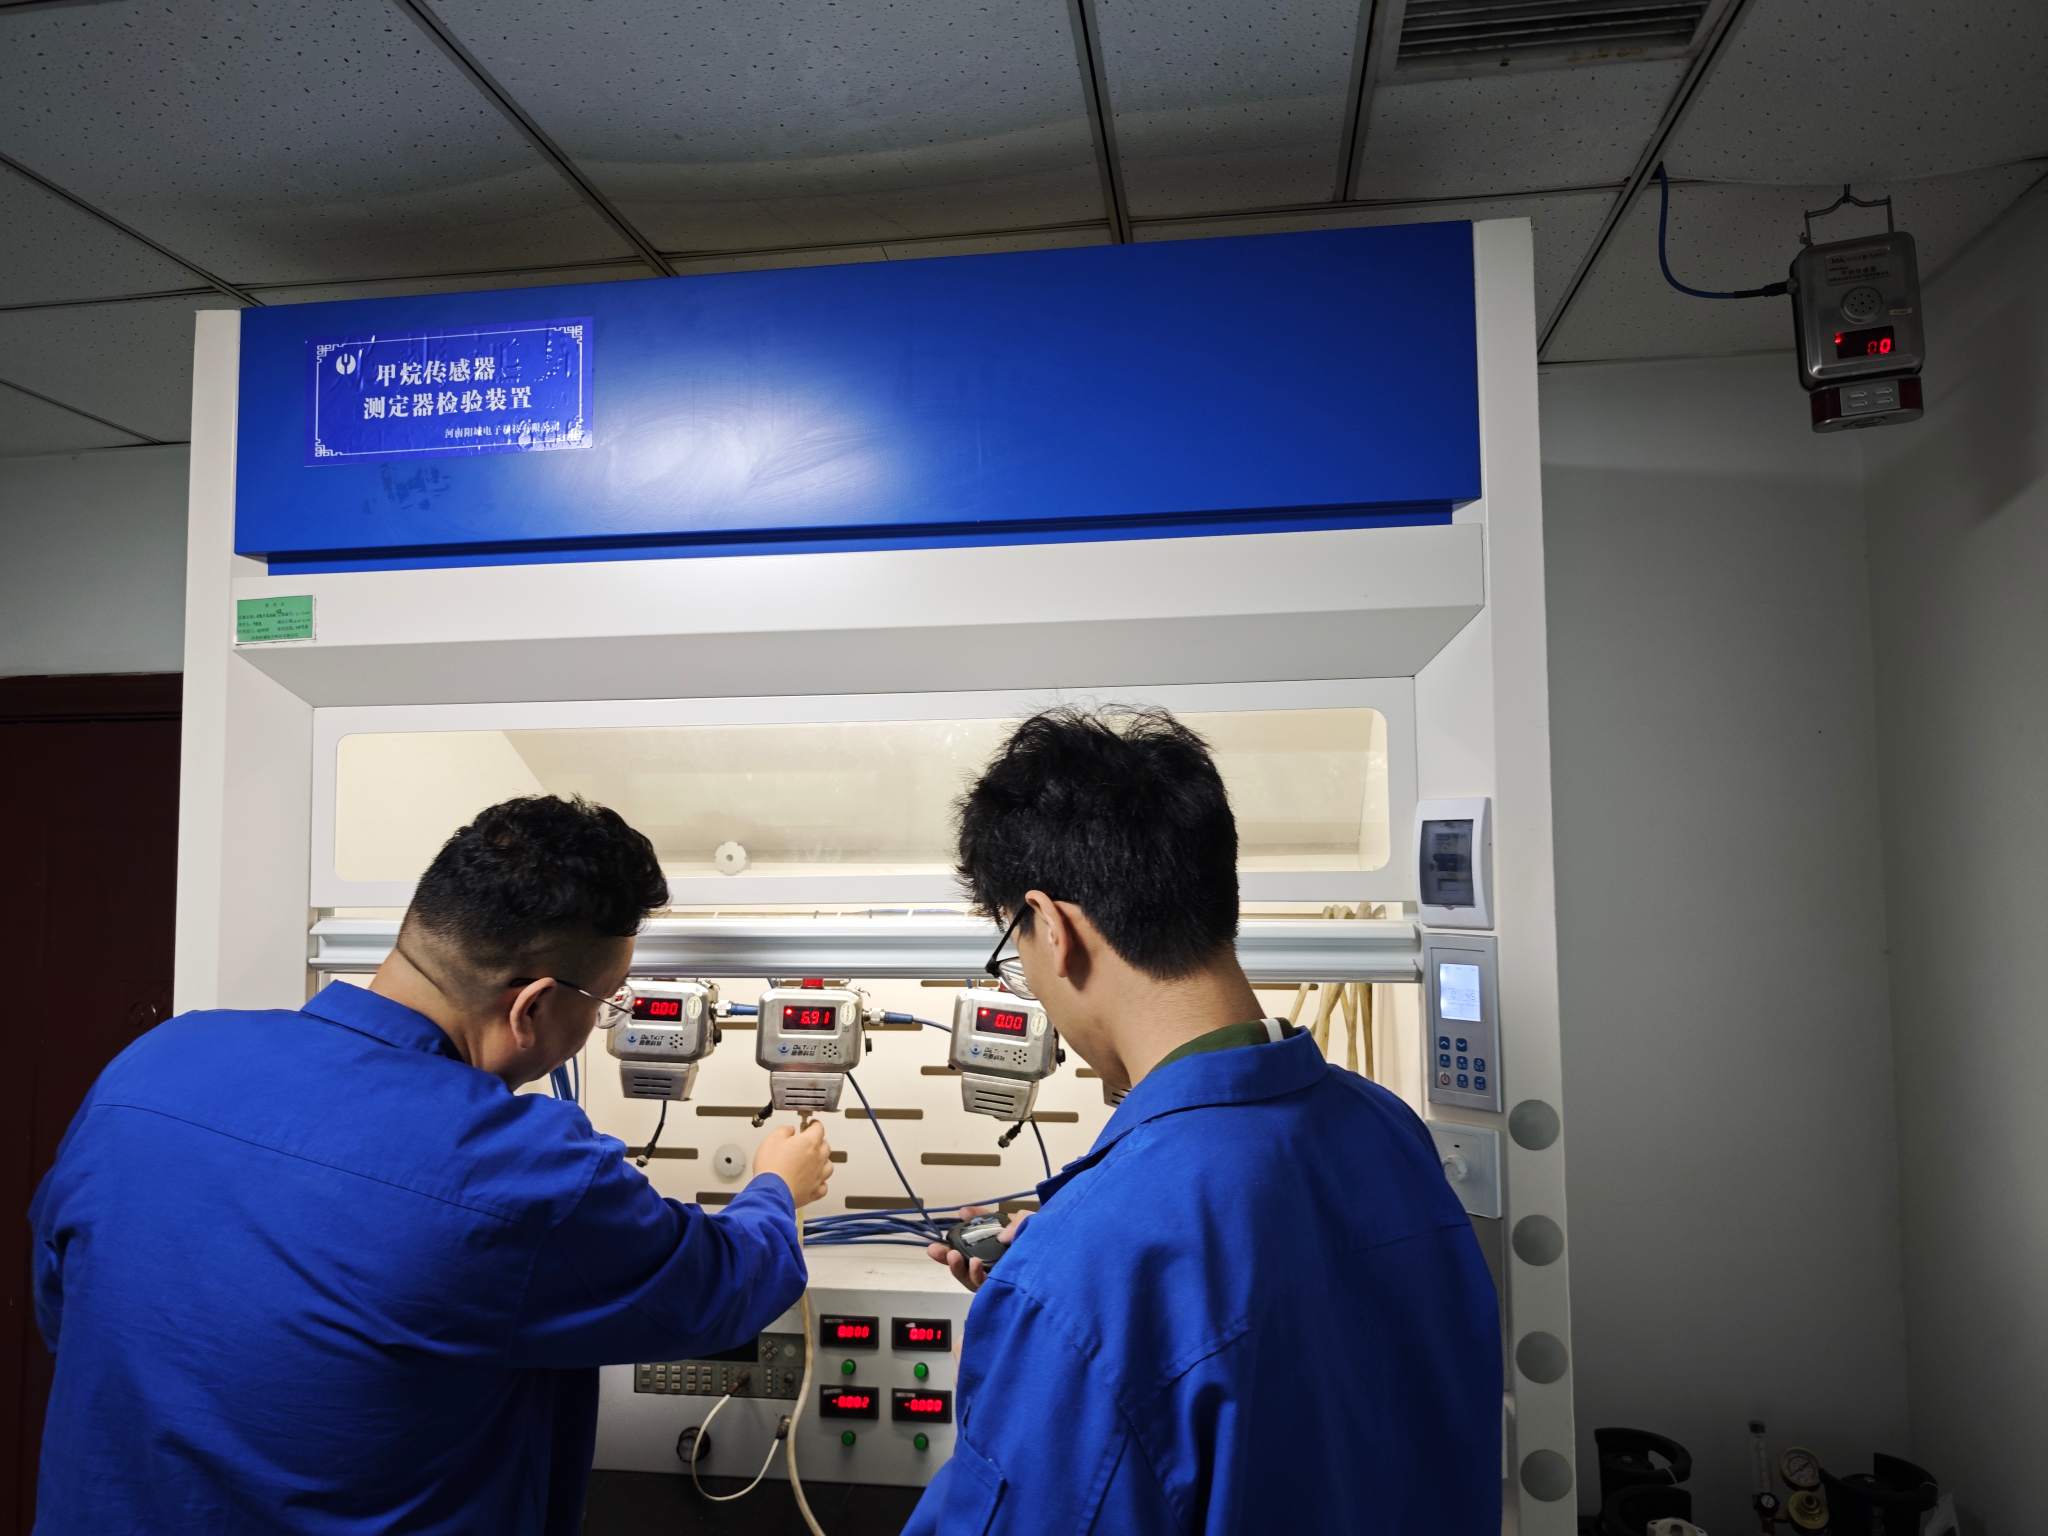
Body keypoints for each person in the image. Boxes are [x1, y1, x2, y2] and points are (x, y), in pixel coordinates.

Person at [29, 794, 832, 1535]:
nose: (599, 1023)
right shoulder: (521, 1171)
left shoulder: (157, 1063)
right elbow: (720, 1287)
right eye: (606, 1002)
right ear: (532, 1007)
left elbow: (66, 1305)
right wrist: (777, 1187)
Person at [905, 708, 1501, 1534]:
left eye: (1017, 957)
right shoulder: (1390, 1133)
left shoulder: (1073, 1282)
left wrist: (1035, 1329)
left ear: (1053, 926)